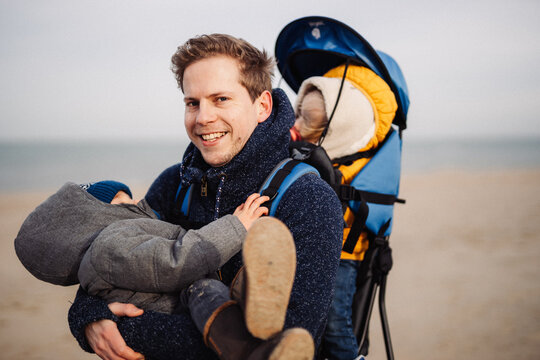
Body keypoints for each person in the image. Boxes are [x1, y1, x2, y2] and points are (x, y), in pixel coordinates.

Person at [67, 34, 344, 360]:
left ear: (262, 106)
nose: (202, 118)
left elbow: (289, 345)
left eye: (221, 99)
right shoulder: (175, 184)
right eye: (192, 102)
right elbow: (109, 263)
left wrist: (119, 325)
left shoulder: (308, 200)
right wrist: (86, 317)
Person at [14, 180, 268, 313]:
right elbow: (177, 260)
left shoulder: (97, 262)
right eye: (125, 200)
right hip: (189, 305)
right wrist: (236, 227)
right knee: (209, 294)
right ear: (98, 216)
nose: (138, 202)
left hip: (180, 306)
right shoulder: (111, 246)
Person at [291, 64, 398, 360]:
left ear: (336, 130)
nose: (296, 125)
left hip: (344, 256)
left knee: (337, 326)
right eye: (297, 114)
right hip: (310, 250)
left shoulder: (351, 163)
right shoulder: (312, 154)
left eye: (307, 120)